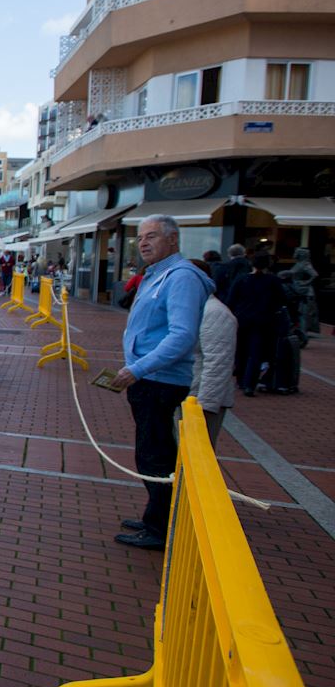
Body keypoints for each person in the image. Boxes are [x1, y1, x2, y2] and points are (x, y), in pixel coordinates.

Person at [111, 215, 213, 551]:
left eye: (152, 236)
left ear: (173, 239)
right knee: (151, 452)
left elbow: (182, 335)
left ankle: (160, 527)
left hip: (159, 380)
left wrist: (139, 368)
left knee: (155, 456)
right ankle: (156, 515)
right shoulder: (156, 276)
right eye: (140, 237)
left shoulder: (181, 277)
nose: (143, 243)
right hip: (147, 378)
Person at [188, 259, 237, 445]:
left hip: (198, 400)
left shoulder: (215, 312)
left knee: (195, 454)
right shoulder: (193, 308)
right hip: (186, 395)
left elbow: (218, 364)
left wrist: (204, 406)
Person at [227, 251, 285, 397]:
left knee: (241, 350)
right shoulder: (273, 281)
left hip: (242, 319)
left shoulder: (242, 279)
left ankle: (240, 379)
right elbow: (281, 300)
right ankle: (249, 384)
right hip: (264, 321)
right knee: (256, 352)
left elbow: (231, 300)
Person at [289, 248, 320, 336]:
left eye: (296, 252)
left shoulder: (306, 264)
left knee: (303, 313)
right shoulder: (298, 264)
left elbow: (314, 275)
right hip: (296, 291)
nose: (294, 254)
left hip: (305, 292)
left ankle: (303, 333)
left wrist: (305, 282)